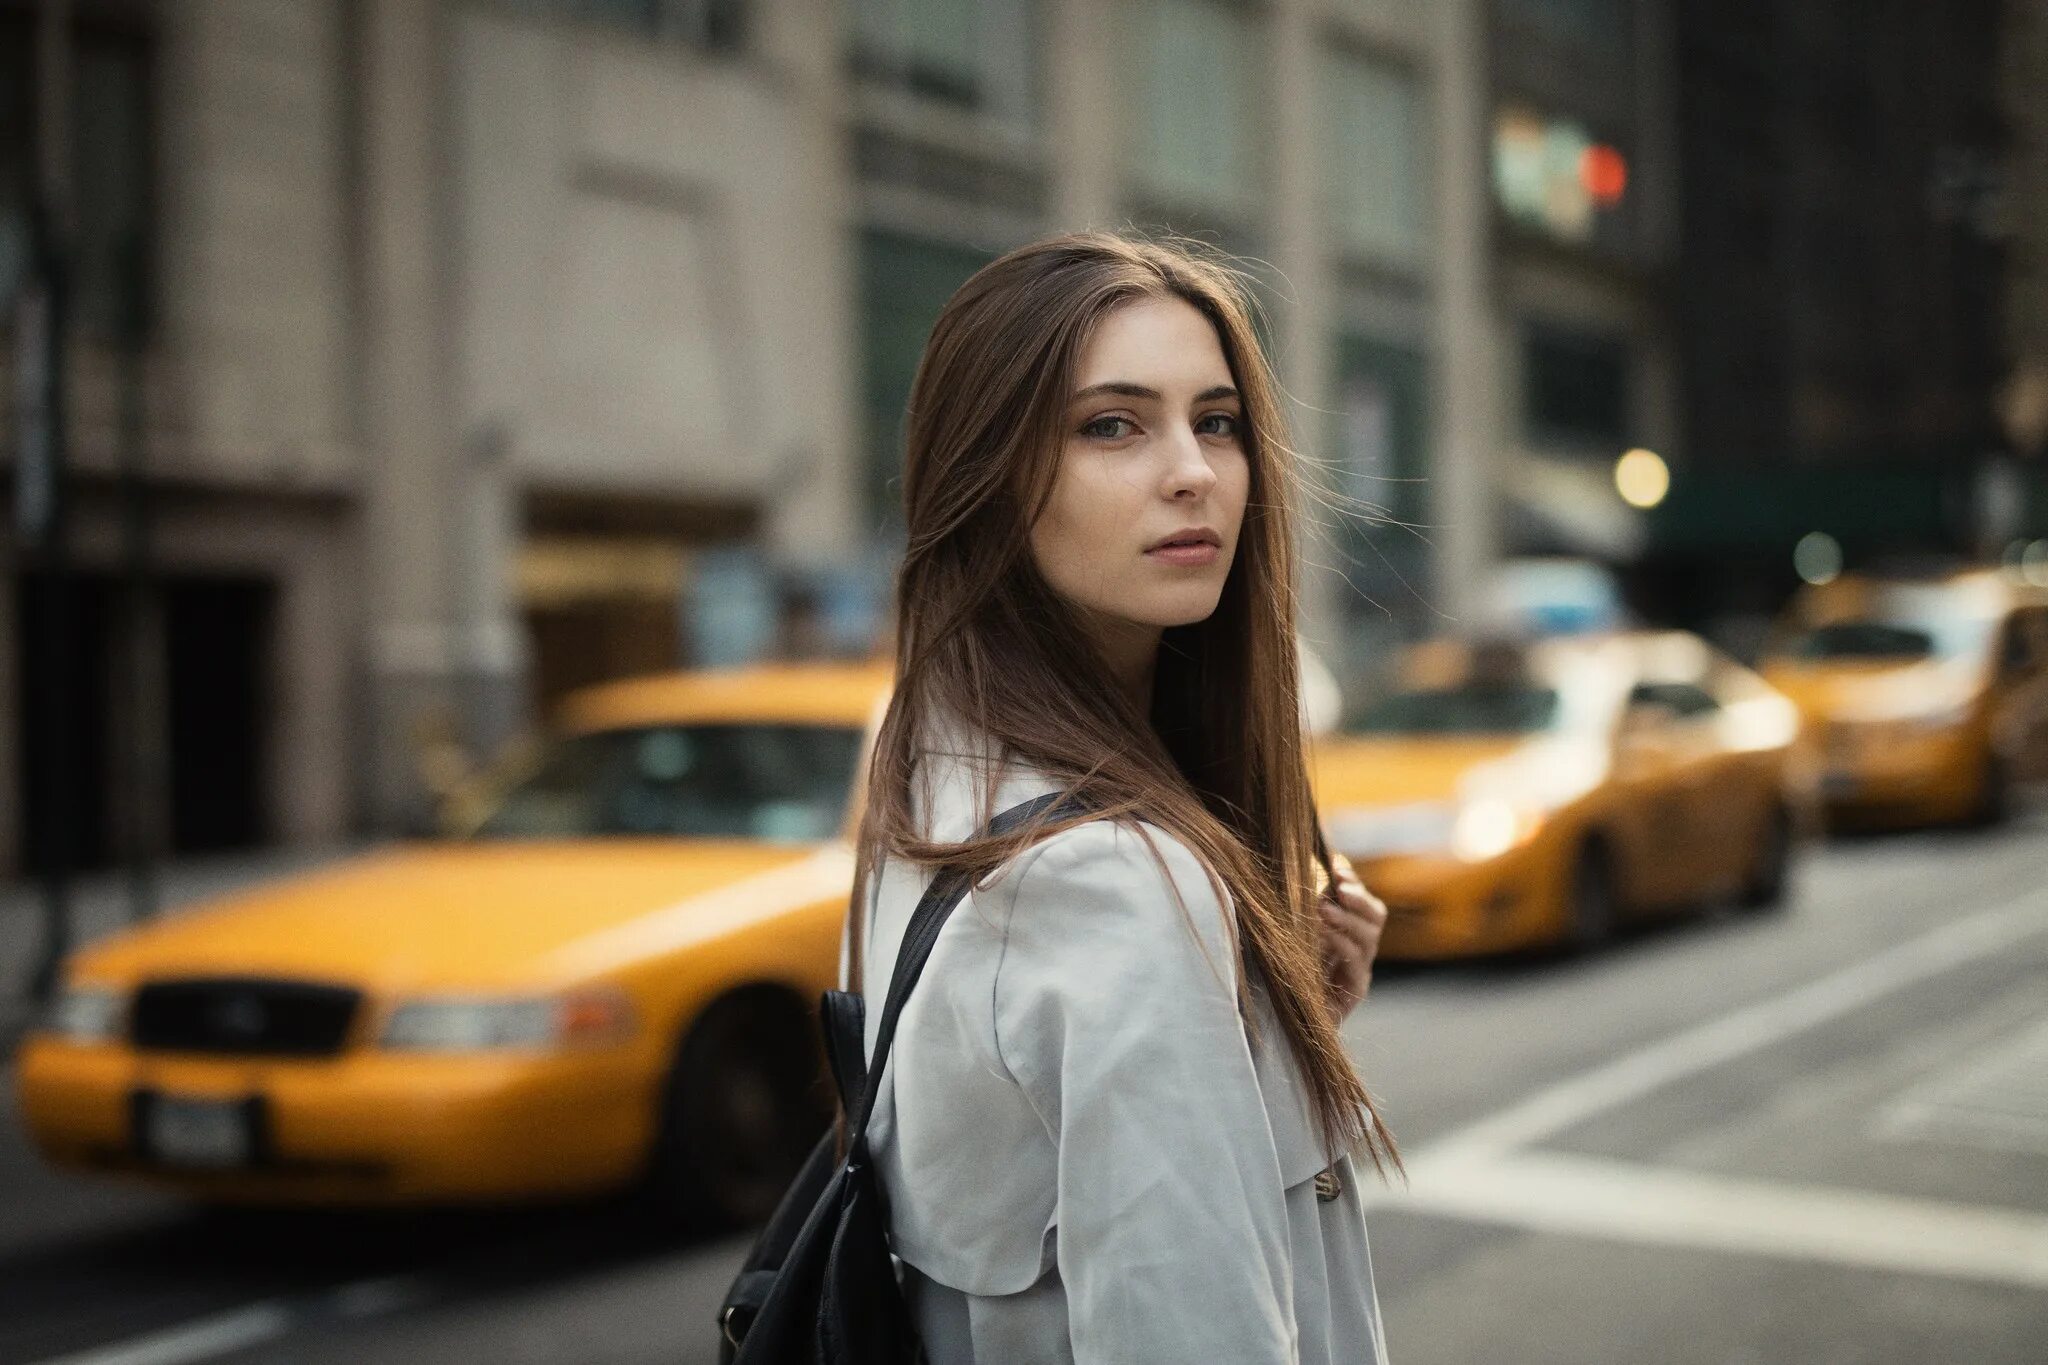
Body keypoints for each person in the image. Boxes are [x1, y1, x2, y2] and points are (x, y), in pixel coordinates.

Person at [848, 230, 1400, 1364]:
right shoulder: (1105, 876)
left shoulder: (933, 774)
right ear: (986, 476)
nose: (1191, 469)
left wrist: (1259, 1014)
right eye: (1111, 424)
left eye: (1216, 421)